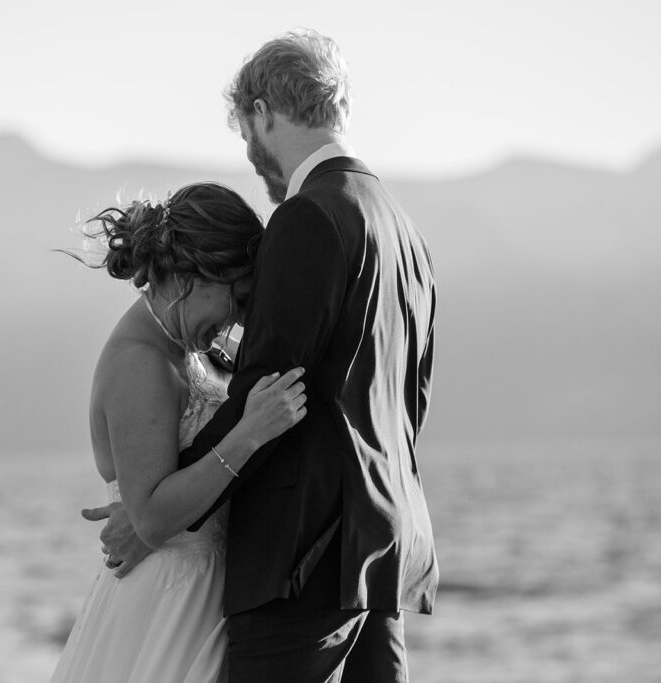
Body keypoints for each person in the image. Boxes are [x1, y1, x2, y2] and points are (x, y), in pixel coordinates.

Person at [91, 30, 439, 682]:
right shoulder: (403, 230)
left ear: (262, 113)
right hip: (380, 555)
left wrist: (157, 515)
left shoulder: (311, 217)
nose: (251, 156)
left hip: (299, 562)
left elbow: (269, 386)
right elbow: (408, 404)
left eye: (246, 131)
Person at [50, 182, 307, 683]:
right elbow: (149, 518)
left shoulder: (180, 349)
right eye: (237, 297)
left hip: (199, 594)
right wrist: (249, 433)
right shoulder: (139, 362)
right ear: (196, 274)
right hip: (167, 604)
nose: (236, 319)